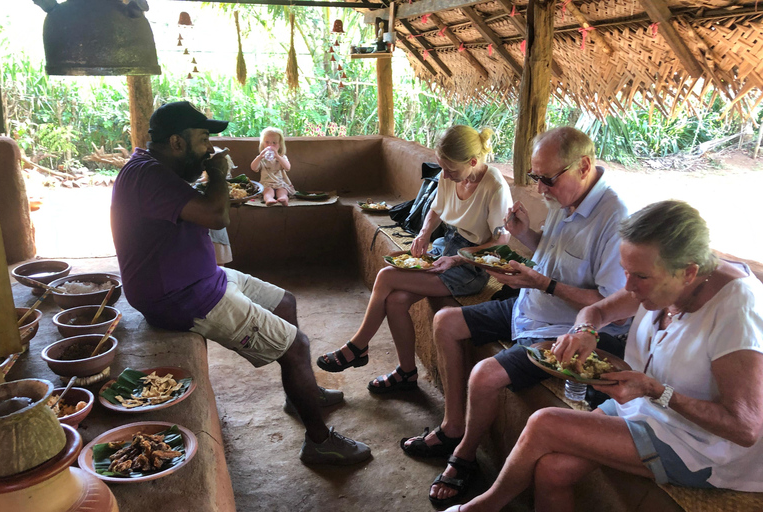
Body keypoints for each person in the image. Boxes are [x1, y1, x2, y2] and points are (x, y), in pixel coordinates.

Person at [448, 200, 763, 512]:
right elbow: (597, 310)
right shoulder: (666, 274)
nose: (628, 286)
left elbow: (744, 428)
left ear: (689, 272)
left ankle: (480, 508)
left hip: (702, 446)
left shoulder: (737, 311)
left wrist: (657, 390)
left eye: (639, 277)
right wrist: (586, 329)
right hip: (645, 409)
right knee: (553, 469)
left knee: (544, 422)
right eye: (625, 271)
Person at [110, 101, 370, 465]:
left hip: (202, 278)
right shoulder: (148, 177)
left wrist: (208, 173)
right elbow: (216, 215)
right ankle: (320, 442)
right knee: (297, 346)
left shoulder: (156, 169)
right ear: (177, 142)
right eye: (203, 140)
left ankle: (300, 394)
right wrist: (217, 174)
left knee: (285, 303)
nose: (210, 149)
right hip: (183, 297)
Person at [411, 127, 630, 508]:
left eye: (547, 179)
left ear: (583, 165)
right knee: (446, 321)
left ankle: (464, 457)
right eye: (535, 177)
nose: (541, 189)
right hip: (529, 304)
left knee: (485, 375)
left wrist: (543, 283)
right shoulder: (569, 198)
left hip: (562, 328)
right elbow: (554, 253)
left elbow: (609, 304)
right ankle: (452, 425)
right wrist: (525, 235)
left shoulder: (615, 220)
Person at [317, 125, 513, 394]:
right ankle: (406, 373)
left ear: (473, 161)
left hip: (471, 266)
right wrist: (423, 234)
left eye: (451, 170)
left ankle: (356, 347)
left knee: (386, 276)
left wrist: (459, 260)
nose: (445, 174)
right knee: (396, 301)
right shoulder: (452, 173)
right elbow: (436, 207)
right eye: (442, 167)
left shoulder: (495, 186)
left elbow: (502, 241)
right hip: (446, 246)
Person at [250, 127, 295, 206]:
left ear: (280, 145)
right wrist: (260, 156)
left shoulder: (281, 157)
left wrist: (277, 156)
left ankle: (283, 199)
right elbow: (253, 168)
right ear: (263, 144)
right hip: (266, 184)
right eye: (267, 142)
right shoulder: (261, 158)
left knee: (282, 191)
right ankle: (269, 199)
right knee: (268, 192)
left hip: (280, 183)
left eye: (274, 143)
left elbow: (288, 168)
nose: (270, 145)